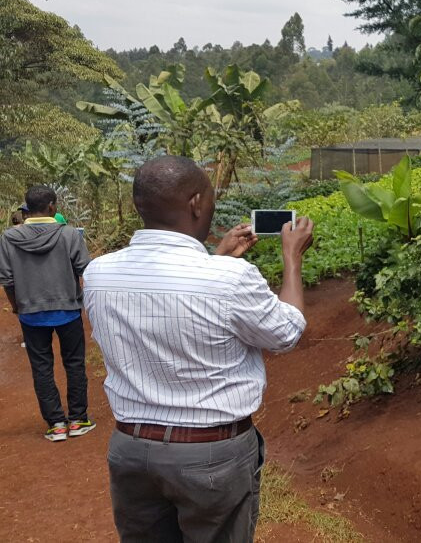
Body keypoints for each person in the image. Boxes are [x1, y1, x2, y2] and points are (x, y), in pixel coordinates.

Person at [83, 155, 314, 542]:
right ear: (195, 203)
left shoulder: (99, 273)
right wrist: (292, 258)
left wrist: (215, 259)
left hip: (132, 450)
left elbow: (168, 301)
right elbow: (286, 332)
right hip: (210, 455)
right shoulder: (230, 279)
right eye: (210, 200)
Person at [0, 185, 94, 441]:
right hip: (68, 310)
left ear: (27, 208)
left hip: (31, 313)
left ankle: (56, 424)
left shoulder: (9, 238)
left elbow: (7, 279)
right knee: (74, 363)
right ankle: (78, 419)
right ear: (52, 206)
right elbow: (84, 270)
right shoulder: (69, 234)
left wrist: (17, 306)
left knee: (41, 367)